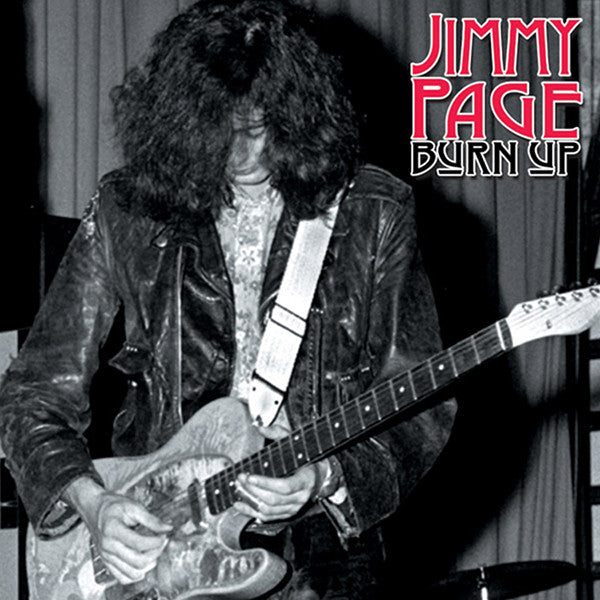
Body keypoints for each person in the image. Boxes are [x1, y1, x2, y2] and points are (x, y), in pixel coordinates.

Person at [0, 1, 456, 598]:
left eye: (259, 128)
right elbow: (32, 395)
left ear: (296, 113)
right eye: (221, 129)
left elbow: (421, 404)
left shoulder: (374, 212)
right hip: (160, 552)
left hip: (321, 563)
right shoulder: (128, 211)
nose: (242, 154)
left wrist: (326, 476)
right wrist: (93, 503)